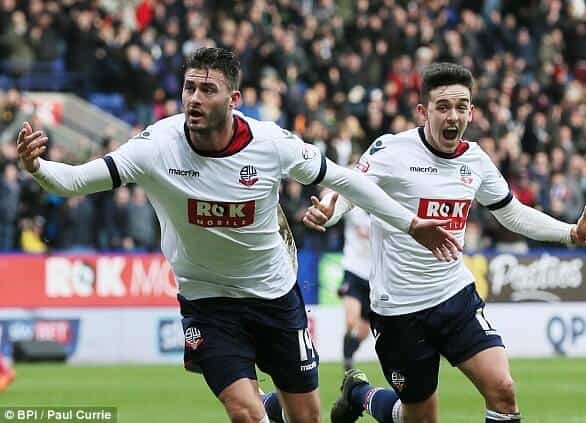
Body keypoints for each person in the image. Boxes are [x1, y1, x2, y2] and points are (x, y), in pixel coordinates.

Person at [16, 47, 463, 423]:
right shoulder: (155, 147)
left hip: (273, 293)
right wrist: (38, 168)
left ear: (234, 99)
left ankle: (334, 398)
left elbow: (345, 179)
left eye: (207, 90)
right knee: (246, 414)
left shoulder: (271, 144)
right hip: (207, 300)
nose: (193, 98)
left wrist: (410, 222)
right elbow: (75, 180)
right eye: (189, 87)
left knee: (303, 416)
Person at [302, 62, 586, 423]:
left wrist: (570, 233)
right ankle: (361, 395)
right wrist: (330, 211)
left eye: (461, 106)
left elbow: (512, 213)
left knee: (503, 390)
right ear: (423, 111)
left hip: (455, 296)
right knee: (418, 418)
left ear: (471, 111)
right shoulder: (392, 151)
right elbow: (351, 187)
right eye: (442, 107)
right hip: (400, 309)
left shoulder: (476, 161)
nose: (452, 116)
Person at [338, 204, 372, 371]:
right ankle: (347, 362)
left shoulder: (384, 210)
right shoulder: (355, 208)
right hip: (353, 269)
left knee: (364, 332)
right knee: (351, 321)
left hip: (373, 276)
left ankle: (349, 355)